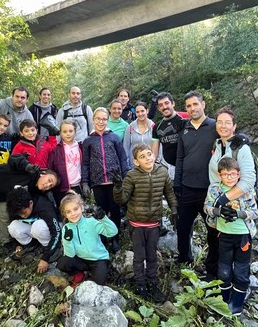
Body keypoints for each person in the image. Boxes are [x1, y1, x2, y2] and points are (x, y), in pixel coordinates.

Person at [113, 144, 177, 301]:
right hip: (136, 225)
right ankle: (140, 285)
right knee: (138, 257)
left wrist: (174, 210)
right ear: (136, 162)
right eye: (142, 156)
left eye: (149, 154)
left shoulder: (162, 172)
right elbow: (121, 199)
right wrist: (118, 187)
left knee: (152, 256)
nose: (148, 158)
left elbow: (169, 192)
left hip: (154, 224)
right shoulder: (131, 176)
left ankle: (153, 284)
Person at [204, 157, 258, 316]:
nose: (229, 177)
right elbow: (206, 206)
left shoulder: (245, 190)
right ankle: (223, 299)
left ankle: (237, 304)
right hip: (223, 234)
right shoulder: (214, 189)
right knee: (224, 270)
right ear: (219, 175)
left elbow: (255, 213)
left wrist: (239, 214)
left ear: (239, 174)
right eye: (225, 174)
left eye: (233, 174)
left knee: (241, 270)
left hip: (243, 236)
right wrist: (217, 211)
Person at [174, 91, 219, 278]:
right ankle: (184, 258)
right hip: (186, 187)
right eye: (189, 106)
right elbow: (180, 157)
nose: (192, 108)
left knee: (212, 231)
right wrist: (177, 182)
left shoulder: (215, 126)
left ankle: (212, 269)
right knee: (183, 227)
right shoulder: (184, 129)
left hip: (209, 190)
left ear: (203, 104)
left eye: (195, 104)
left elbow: (231, 137)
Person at [81, 107, 128, 253]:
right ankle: (102, 236)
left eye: (104, 119)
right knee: (101, 210)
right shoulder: (88, 141)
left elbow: (122, 158)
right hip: (98, 181)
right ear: (93, 120)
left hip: (114, 181)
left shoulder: (113, 137)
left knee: (114, 210)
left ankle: (115, 237)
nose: (101, 121)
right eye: (98, 119)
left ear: (107, 120)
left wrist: (125, 176)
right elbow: (85, 163)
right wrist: (85, 182)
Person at [57, 191, 118, 286]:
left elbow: (112, 232)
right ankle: (79, 273)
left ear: (81, 208)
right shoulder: (66, 228)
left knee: (97, 285)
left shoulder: (91, 222)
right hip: (81, 259)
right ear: (65, 215)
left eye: (75, 209)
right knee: (62, 263)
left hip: (98, 259)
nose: (73, 214)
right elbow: (70, 254)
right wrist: (68, 240)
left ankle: (99, 272)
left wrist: (103, 218)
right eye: (68, 212)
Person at [6, 186, 63, 273]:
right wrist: (17, 245)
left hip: (54, 228)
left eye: (24, 213)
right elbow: (13, 227)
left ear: (31, 203)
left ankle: (51, 249)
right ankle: (31, 246)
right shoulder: (16, 209)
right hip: (35, 229)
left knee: (38, 227)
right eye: (19, 214)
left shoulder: (43, 206)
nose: (22, 216)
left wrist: (45, 258)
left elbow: (56, 231)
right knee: (13, 227)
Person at [208, 108, 257, 204]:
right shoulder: (217, 144)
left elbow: (249, 180)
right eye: (220, 122)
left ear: (234, 126)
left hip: (236, 203)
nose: (223, 126)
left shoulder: (241, 148)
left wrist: (223, 200)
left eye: (228, 123)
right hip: (216, 198)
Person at [150, 92, 187, 180]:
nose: (164, 107)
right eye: (161, 105)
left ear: (173, 103)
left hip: (187, 165)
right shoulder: (157, 127)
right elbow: (154, 152)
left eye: (167, 103)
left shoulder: (185, 120)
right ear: (158, 108)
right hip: (170, 167)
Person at [48, 118, 84, 206]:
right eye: (64, 131)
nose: (68, 134)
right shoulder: (56, 149)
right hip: (62, 187)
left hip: (78, 186)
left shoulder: (80, 147)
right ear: (60, 133)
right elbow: (50, 168)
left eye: (70, 131)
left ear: (75, 131)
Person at [123, 101, 154, 169]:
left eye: (142, 111)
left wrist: (156, 162)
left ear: (147, 111)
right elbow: (126, 148)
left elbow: (158, 147)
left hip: (151, 165)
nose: (140, 114)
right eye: (137, 112)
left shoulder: (153, 127)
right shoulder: (130, 128)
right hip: (134, 167)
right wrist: (127, 167)